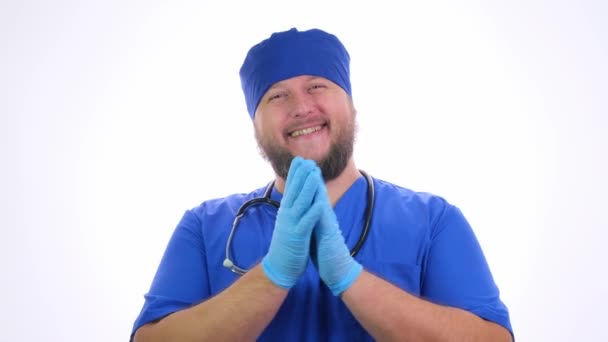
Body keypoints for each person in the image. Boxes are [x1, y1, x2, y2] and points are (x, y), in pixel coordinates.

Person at [130, 27, 514, 341]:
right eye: (276, 96)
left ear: (351, 106)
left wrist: (350, 278)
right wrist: (273, 274)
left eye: (317, 86)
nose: (300, 107)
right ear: (255, 126)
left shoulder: (433, 220)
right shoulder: (204, 226)